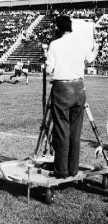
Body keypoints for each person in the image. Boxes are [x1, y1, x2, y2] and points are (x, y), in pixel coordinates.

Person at [45, 15, 98, 178]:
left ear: (58, 29)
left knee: (61, 130)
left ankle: (62, 170)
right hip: (79, 88)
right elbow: (90, 58)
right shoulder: (80, 43)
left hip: (62, 88)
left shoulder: (55, 44)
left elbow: (49, 70)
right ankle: (73, 169)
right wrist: (96, 48)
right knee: (76, 132)